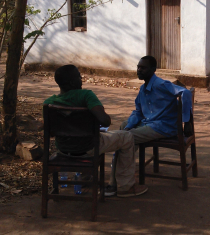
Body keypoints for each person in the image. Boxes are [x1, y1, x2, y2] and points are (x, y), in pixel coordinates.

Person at [44, 64, 147, 198]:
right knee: (126, 137)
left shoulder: (49, 103)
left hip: (63, 149)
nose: (81, 79)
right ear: (72, 82)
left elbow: (51, 131)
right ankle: (126, 186)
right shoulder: (86, 95)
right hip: (88, 147)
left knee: (97, 136)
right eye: (79, 77)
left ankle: (86, 178)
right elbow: (105, 121)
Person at [107, 56, 192, 194]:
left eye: (143, 68)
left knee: (125, 138)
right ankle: (118, 181)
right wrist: (130, 125)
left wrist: (186, 120)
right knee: (124, 127)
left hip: (164, 126)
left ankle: (115, 184)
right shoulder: (143, 89)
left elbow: (185, 92)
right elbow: (138, 111)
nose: (139, 70)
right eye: (138, 67)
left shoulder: (161, 85)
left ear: (153, 70)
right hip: (150, 123)